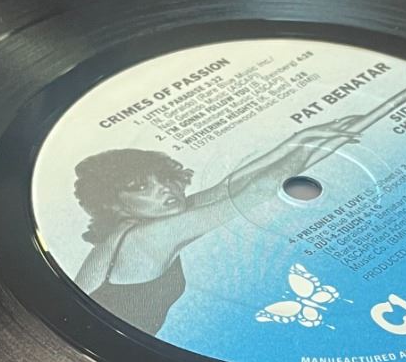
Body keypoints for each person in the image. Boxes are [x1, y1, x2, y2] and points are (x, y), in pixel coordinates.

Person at [70, 119, 359, 334]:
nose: (165, 189)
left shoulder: (142, 222)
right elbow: (256, 192)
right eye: (142, 187)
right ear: (113, 204)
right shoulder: (148, 236)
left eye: (164, 178)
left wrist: (299, 140)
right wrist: (304, 146)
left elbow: (228, 187)